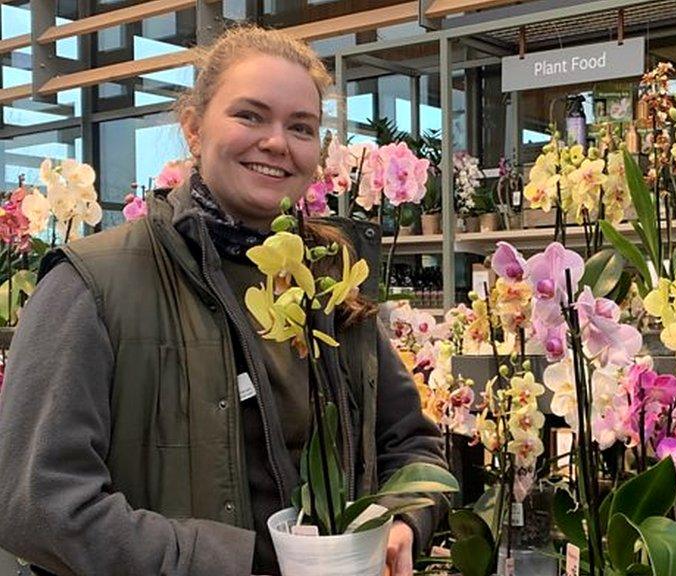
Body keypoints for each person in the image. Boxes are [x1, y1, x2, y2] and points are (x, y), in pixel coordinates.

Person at [0, 26, 447, 576]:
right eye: (250, 116)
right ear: (193, 127)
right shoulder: (89, 285)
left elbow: (412, 444)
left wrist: (403, 520)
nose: (277, 143)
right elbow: (38, 505)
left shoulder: (327, 286)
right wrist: (236, 563)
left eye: (301, 127)